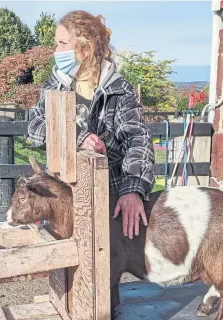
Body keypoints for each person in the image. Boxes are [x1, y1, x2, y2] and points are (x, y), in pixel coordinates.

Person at [28, 10, 155, 240]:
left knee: (96, 262)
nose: (56, 52)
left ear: (85, 48)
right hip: (61, 198)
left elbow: (138, 141)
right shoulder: (54, 84)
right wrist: (76, 138)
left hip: (103, 196)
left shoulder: (119, 91)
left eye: (62, 43)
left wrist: (133, 188)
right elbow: (35, 126)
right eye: (56, 44)